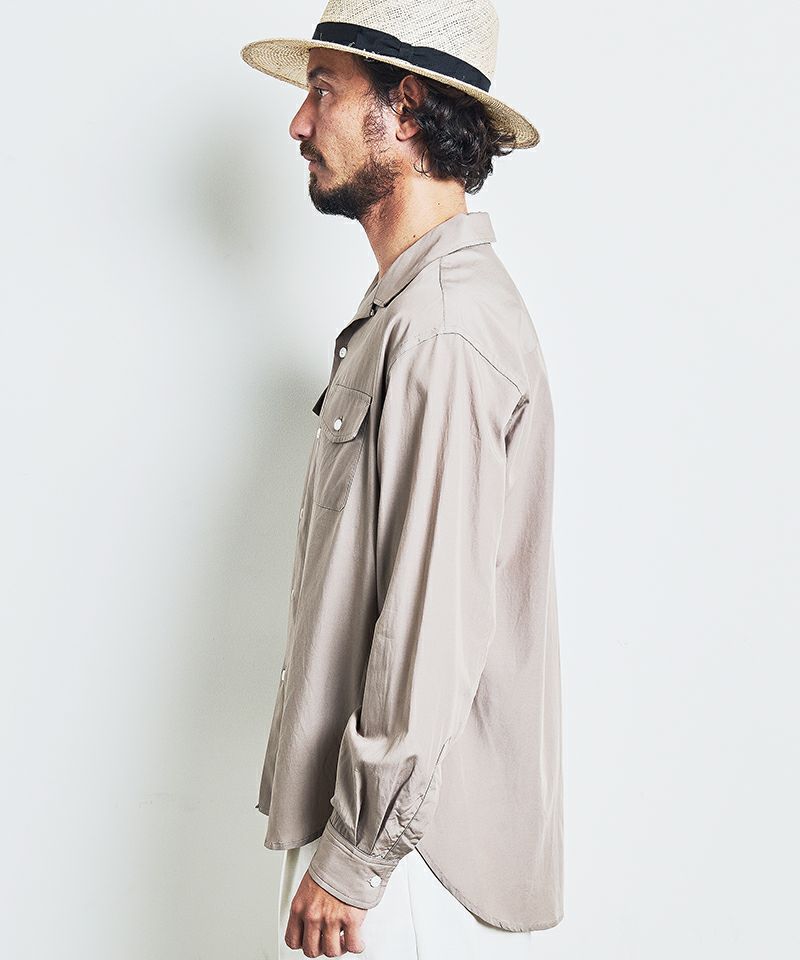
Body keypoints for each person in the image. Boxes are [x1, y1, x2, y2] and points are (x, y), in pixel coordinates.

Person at [240, 1, 564, 956]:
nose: (299, 122)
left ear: (408, 108)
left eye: (324, 91)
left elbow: (433, 620)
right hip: (386, 839)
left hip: (400, 858)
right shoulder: (413, 311)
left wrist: (353, 858)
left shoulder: (442, 331)